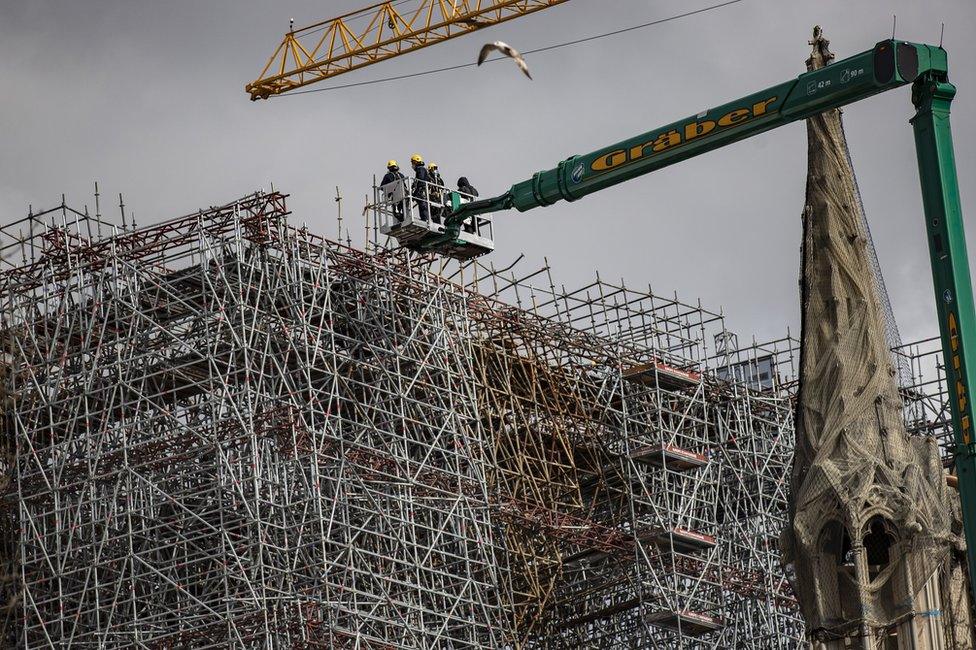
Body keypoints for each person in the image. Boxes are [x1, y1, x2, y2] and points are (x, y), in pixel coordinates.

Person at [410, 154, 430, 222]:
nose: (412, 165)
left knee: (423, 205)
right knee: (423, 205)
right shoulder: (423, 169)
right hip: (423, 190)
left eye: (413, 163)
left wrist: (415, 192)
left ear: (415, 162)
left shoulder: (420, 169)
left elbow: (420, 181)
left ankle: (425, 219)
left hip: (422, 190)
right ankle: (425, 218)